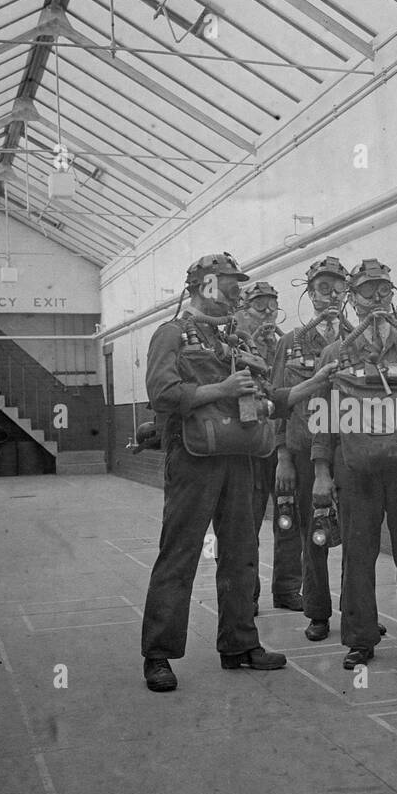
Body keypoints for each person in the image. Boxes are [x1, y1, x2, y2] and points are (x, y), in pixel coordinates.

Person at [140, 252, 338, 693]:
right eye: (229, 283)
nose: (236, 291)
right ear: (205, 285)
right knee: (180, 555)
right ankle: (158, 654)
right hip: (193, 460)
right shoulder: (170, 334)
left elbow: (270, 396)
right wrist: (221, 389)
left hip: (241, 459)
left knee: (241, 553)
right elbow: (162, 393)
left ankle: (239, 644)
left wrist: (314, 383)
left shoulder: (232, 340)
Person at [311, 258, 397, 671]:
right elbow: (322, 414)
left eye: (383, 290)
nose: (376, 299)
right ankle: (361, 639)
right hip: (357, 471)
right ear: (353, 300)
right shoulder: (336, 353)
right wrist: (320, 472)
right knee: (358, 556)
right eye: (367, 292)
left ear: (393, 292)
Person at [273, 256, 352, 643]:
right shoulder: (291, 342)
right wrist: (283, 458)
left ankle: (357, 613)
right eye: (323, 288)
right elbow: (277, 404)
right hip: (305, 454)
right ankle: (318, 613)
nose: (332, 295)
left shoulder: (359, 336)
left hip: (350, 453)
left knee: (356, 538)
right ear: (310, 292)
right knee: (314, 537)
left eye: (338, 287)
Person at [233, 280, 303, 615]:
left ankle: (288, 589)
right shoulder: (231, 347)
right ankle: (246, 594)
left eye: (272, 306)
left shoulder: (288, 348)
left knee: (289, 519)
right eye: (259, 307)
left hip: (280, 447)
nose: (267, 313)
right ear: (242, 311)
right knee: (245, 524)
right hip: (247, 448)